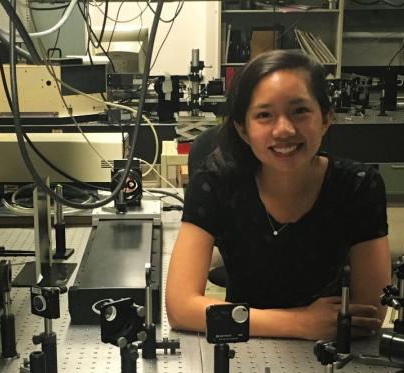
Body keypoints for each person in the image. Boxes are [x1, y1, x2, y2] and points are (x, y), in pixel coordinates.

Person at [166, 50, 391, 340]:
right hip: (243, 346)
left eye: (299, 111)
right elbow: (180, 308)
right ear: (243, 129)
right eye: (264, 115)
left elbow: (368, 315)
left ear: (325, 118)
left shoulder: (358, 186)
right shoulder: (216, 183)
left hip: (325, 351)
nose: (283, 129)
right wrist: (300, 324)